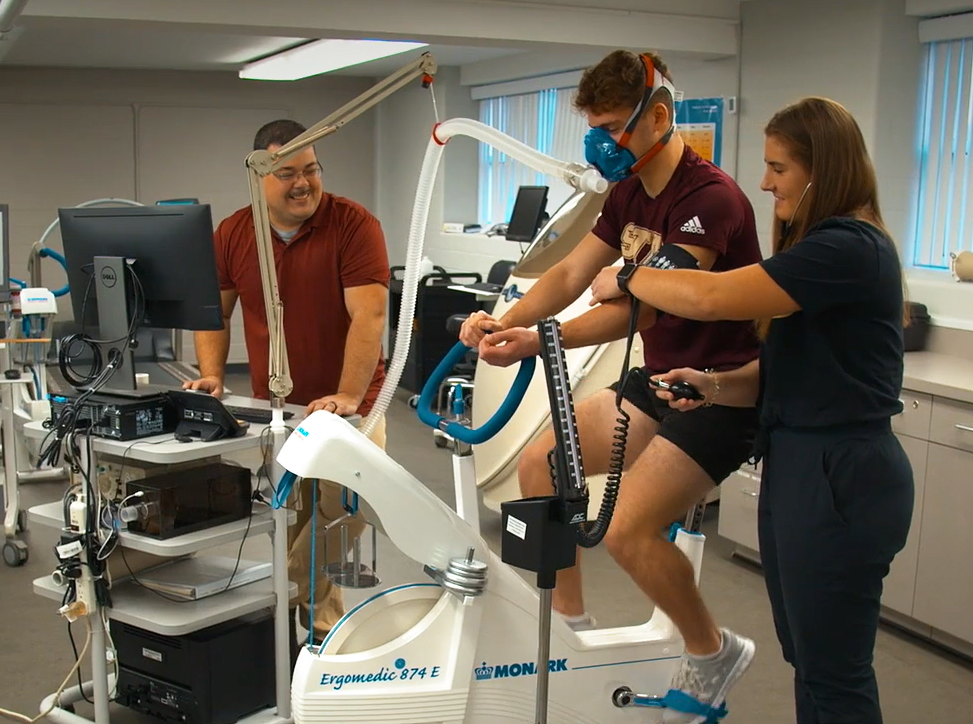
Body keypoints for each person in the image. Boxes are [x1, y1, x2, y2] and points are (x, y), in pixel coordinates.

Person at [589, 96, 914, 724]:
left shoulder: (847, 247)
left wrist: (628, 275)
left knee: (835, 671)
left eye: (780, 168)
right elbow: (782, 371)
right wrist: (712, 385)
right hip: (799, 461)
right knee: (809, 657)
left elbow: (711, 299)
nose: (764, 182)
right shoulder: (822, 249)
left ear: (826, 169)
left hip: (840, 472)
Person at [461, 50, 760, 720]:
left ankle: (712, 648)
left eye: (613, 125)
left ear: (658, 116)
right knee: (540, 465)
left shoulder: (707, 198)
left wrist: (542, 339)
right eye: (593, 126)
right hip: (658, 380)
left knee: (627, 533)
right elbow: (572, 276)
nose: (601, 141)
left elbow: (649, 305)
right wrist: (501, 322)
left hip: (717, 393)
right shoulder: (627, 192)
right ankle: (569, 624)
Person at [183, 119, 390, 656]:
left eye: (312, 170)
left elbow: (369, 315)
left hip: (354, 406)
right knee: (294, 515)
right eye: (288, 173)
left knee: (346, 508)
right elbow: (213, 313)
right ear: (259, 179)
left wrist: (347, 396)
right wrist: (210, 373)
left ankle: (274, 597)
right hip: (278, 408)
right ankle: (320, 638)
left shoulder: (353, 225)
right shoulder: (233, 234)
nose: (304, 183)